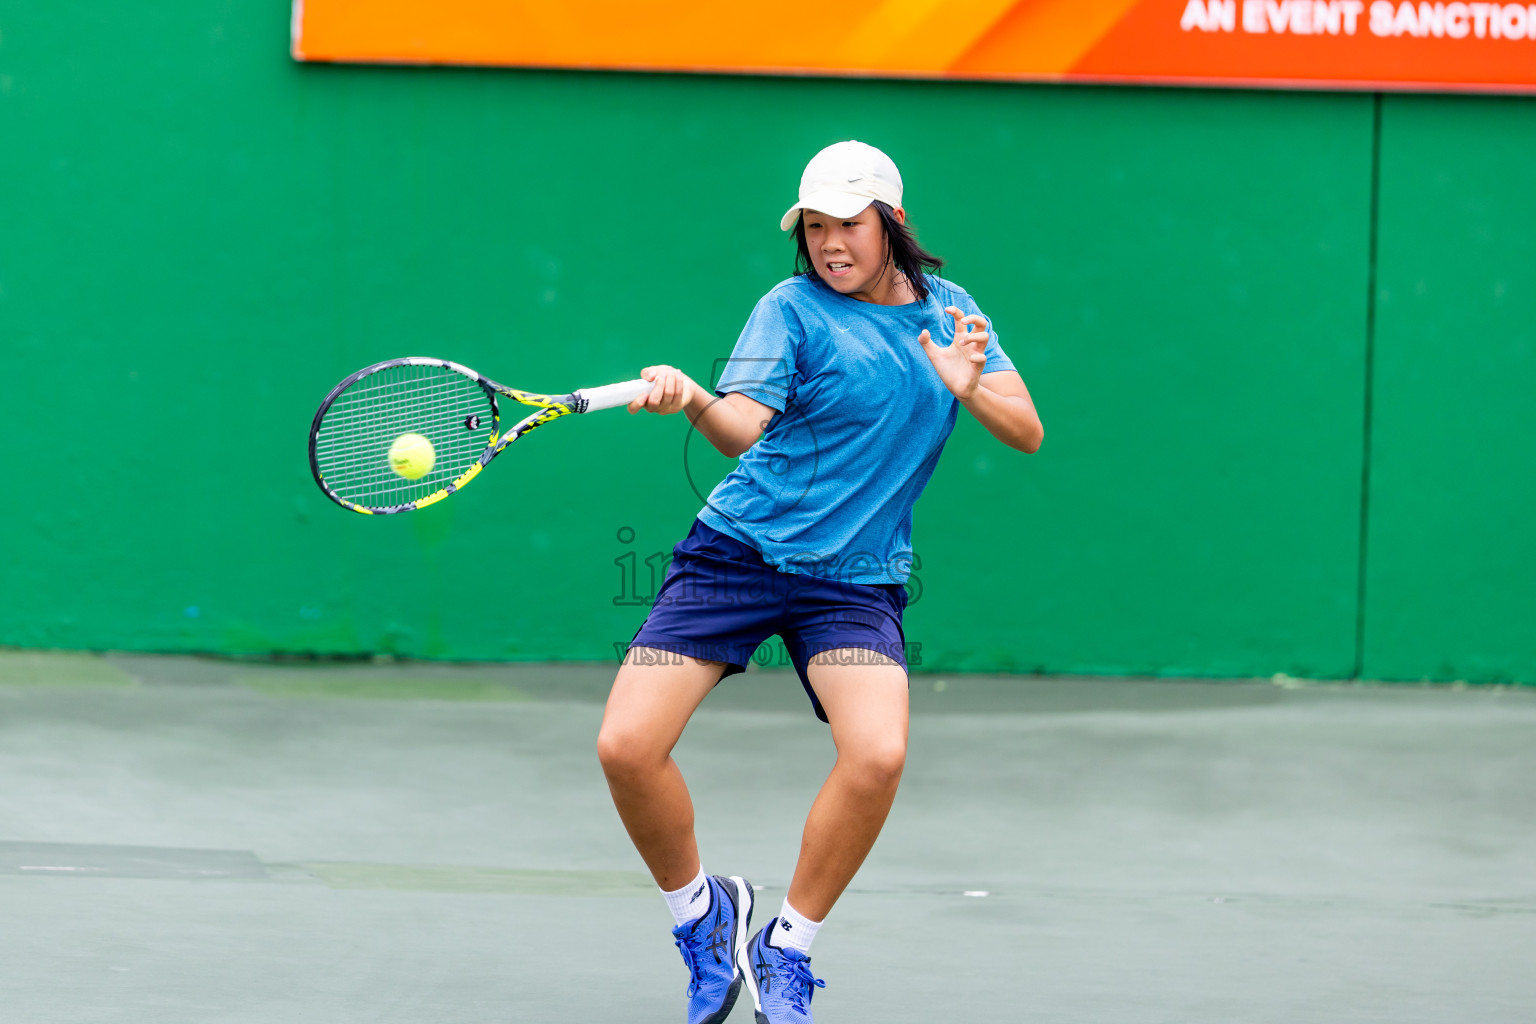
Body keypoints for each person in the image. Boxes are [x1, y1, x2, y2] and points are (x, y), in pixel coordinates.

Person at [596, 140, 1043, 1024]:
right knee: (625, 748)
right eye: (816, 226)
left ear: (894, 224)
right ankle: (702, 916)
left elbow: (1026, 429)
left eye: (849, 224)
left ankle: (787, 945)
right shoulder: (789, 309)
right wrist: (689, 396)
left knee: (876, 755)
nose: (832, 243)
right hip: (736, 555)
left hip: (853, 579)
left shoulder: (954, 316)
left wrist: (967, 385)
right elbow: (739, 431)